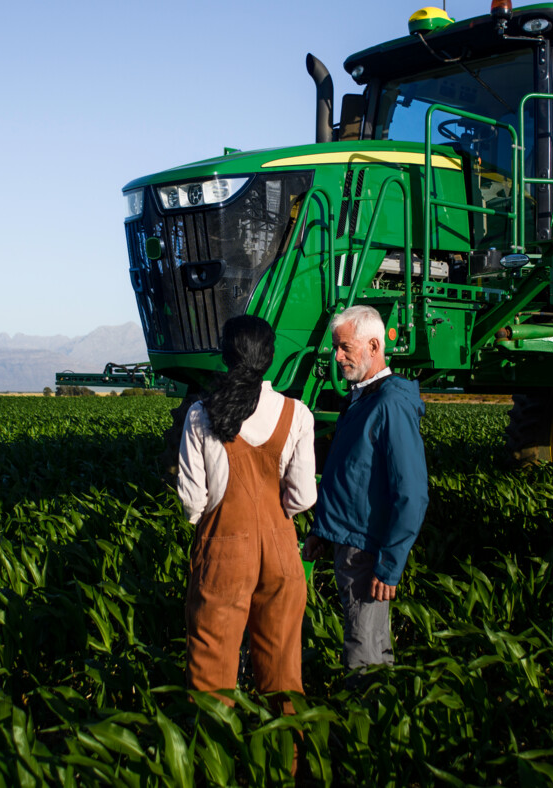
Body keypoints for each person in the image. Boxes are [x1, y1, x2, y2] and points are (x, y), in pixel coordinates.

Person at [176, 314, 317, 710]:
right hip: (281, 552)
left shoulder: (201, 414)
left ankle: (215, 764)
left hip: (223, 553)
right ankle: (285, 767)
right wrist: (276, 519)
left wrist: (213, 524)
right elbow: (304, 497)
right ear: (270, 357)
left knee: (211, 677)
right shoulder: (297, 414)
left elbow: (191, 498)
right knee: (283, 676)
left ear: (225, 356)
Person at [303, 304, 429, 675]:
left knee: (363, 652)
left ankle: (365, 721)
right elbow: (352, 477)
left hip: (366, 551)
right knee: (365, 640)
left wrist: (389, 565)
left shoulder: (388, 403)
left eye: (345, 347)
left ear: (374, 347)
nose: (336, 356)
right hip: (347, 539)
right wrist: (322, 533)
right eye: (336, 348)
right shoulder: (361, 399)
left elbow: (412, 493)